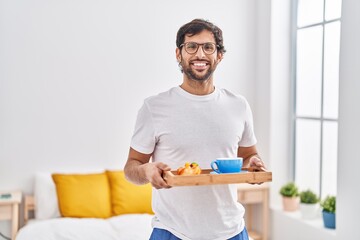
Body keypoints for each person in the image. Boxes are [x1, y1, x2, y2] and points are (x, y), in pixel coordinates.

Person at [124, 18, 266, 240]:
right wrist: (146, 171)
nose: (200, 54)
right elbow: (131, 167)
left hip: (232, 232)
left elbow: (248, 156)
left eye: (208, 47)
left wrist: (253, 164)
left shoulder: (238, 106)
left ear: (219, 55)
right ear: (178, 54)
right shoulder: (154, 107)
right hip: (172, 232)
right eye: (191, 46)